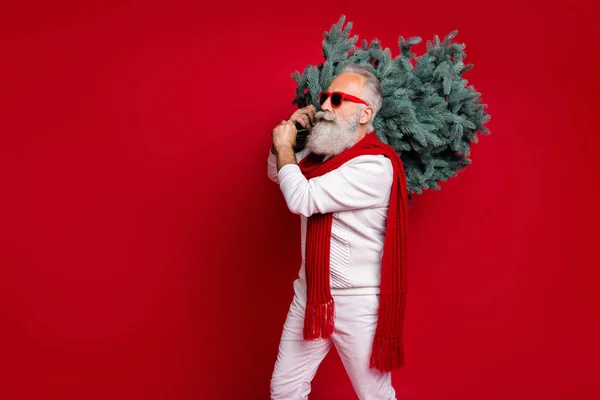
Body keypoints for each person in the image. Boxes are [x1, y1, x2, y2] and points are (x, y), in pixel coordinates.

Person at [267, 64, 409, 400]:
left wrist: (286, 146)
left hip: (357, 301)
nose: (325, 106)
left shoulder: (373, 165)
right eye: (324, 97)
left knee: (374, 395)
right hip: (311, 295)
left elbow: (302, 197)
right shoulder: (324, 156)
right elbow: (280, 175)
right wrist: (290, 139)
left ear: (364, 113)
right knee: (285, 390)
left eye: (337, 99)